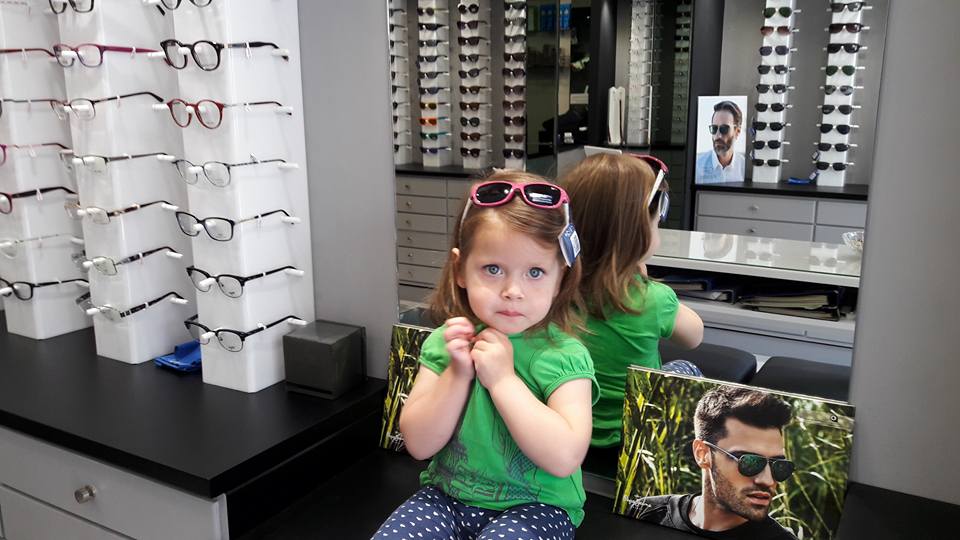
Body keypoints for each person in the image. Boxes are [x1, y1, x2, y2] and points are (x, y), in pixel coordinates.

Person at [373, 171, 598, 539]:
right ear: (460, 269)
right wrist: (457, 374)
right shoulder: (446, 343)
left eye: (535, 272)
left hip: (539, 507)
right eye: (493, 269)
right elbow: (419, 444)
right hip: (445, 497)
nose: (512, 290)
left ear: (560, 278)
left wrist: (504, 381)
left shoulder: (565, 356)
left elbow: (564, 457)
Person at [560, 153, 704, 451]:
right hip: (634, 436)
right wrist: (646, 284)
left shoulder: (553, 290)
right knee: (687, 367)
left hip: (571, 429)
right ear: (638, 231)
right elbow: (694, 336)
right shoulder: (654, 299)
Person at [635, 386, 800, 539]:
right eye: (750, 462)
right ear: (702, 454)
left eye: (779, 466)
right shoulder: (645, 512)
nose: (768, 480)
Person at [695, 100, 745, 184]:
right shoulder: (697, 167)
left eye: (724, 129)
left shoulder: (744, 168)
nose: (718, 136)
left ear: (737, 132)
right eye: (714, 128)